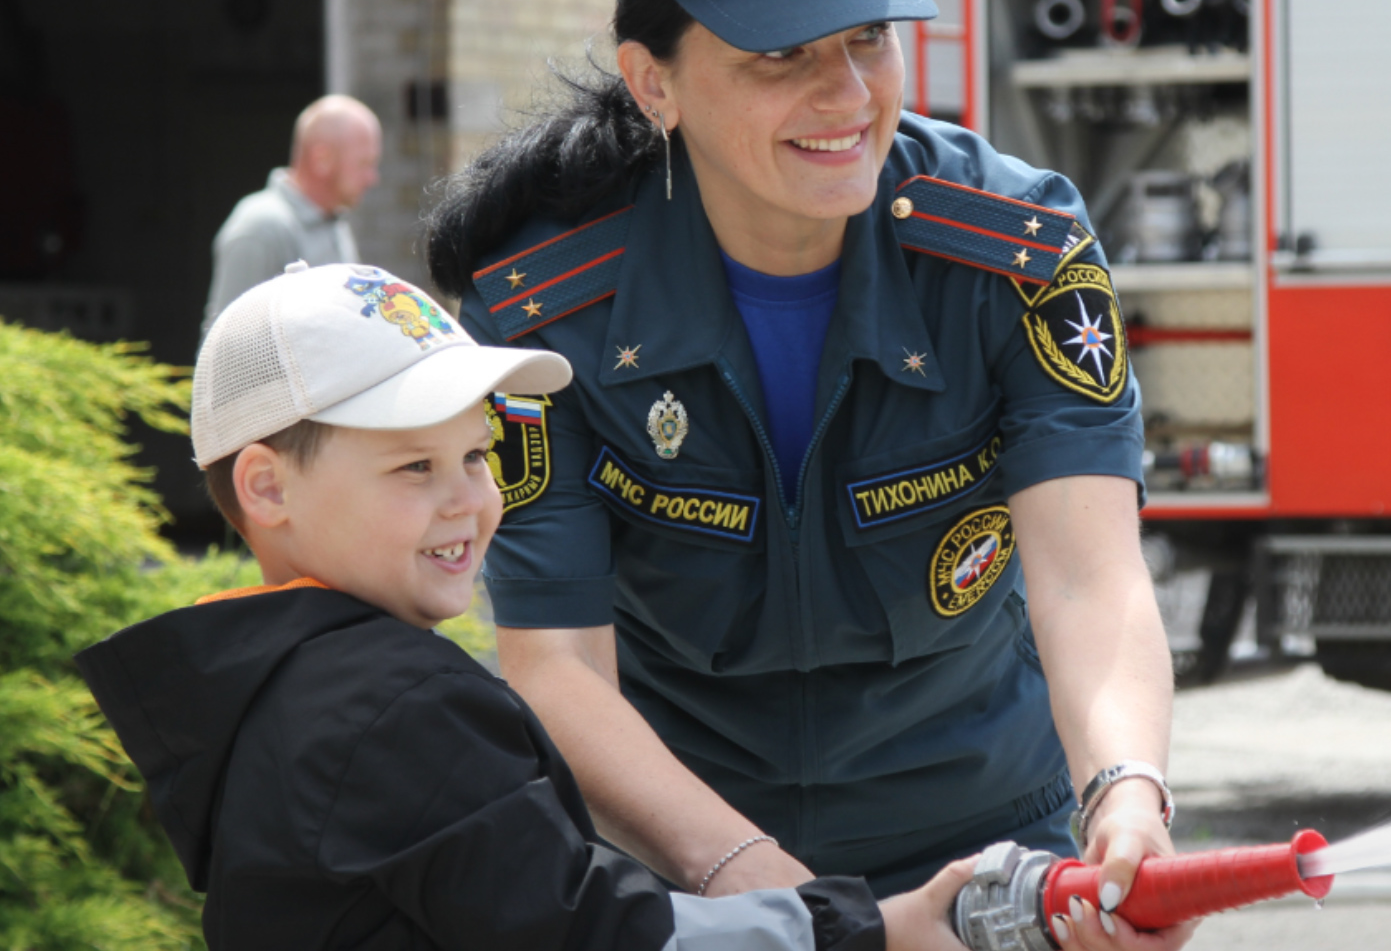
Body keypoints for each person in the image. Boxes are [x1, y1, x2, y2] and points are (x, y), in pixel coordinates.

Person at [424, 0, 1189, 948]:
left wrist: (1125, 796)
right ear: (654, 83)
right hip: (692, 873)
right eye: (779, 55)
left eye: (867, 37)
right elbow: (556, 664)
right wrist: (790, 910)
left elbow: (1087, 575)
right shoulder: (540, 312)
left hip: (990, 854)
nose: (847, 95)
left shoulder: (1019, 253)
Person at [74, 262, 971, 950]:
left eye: (476, 455)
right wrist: (870, 927)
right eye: (414, 467)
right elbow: (595, 933)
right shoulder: (390, 705)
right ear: (267, 489)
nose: (469, 498)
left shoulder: (266, 690)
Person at [201, 95, 382, 333]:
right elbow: (225, 344)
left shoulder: (334, 221)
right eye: (363, 164)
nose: (372, 179)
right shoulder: (261, 227)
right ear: (322, 159)